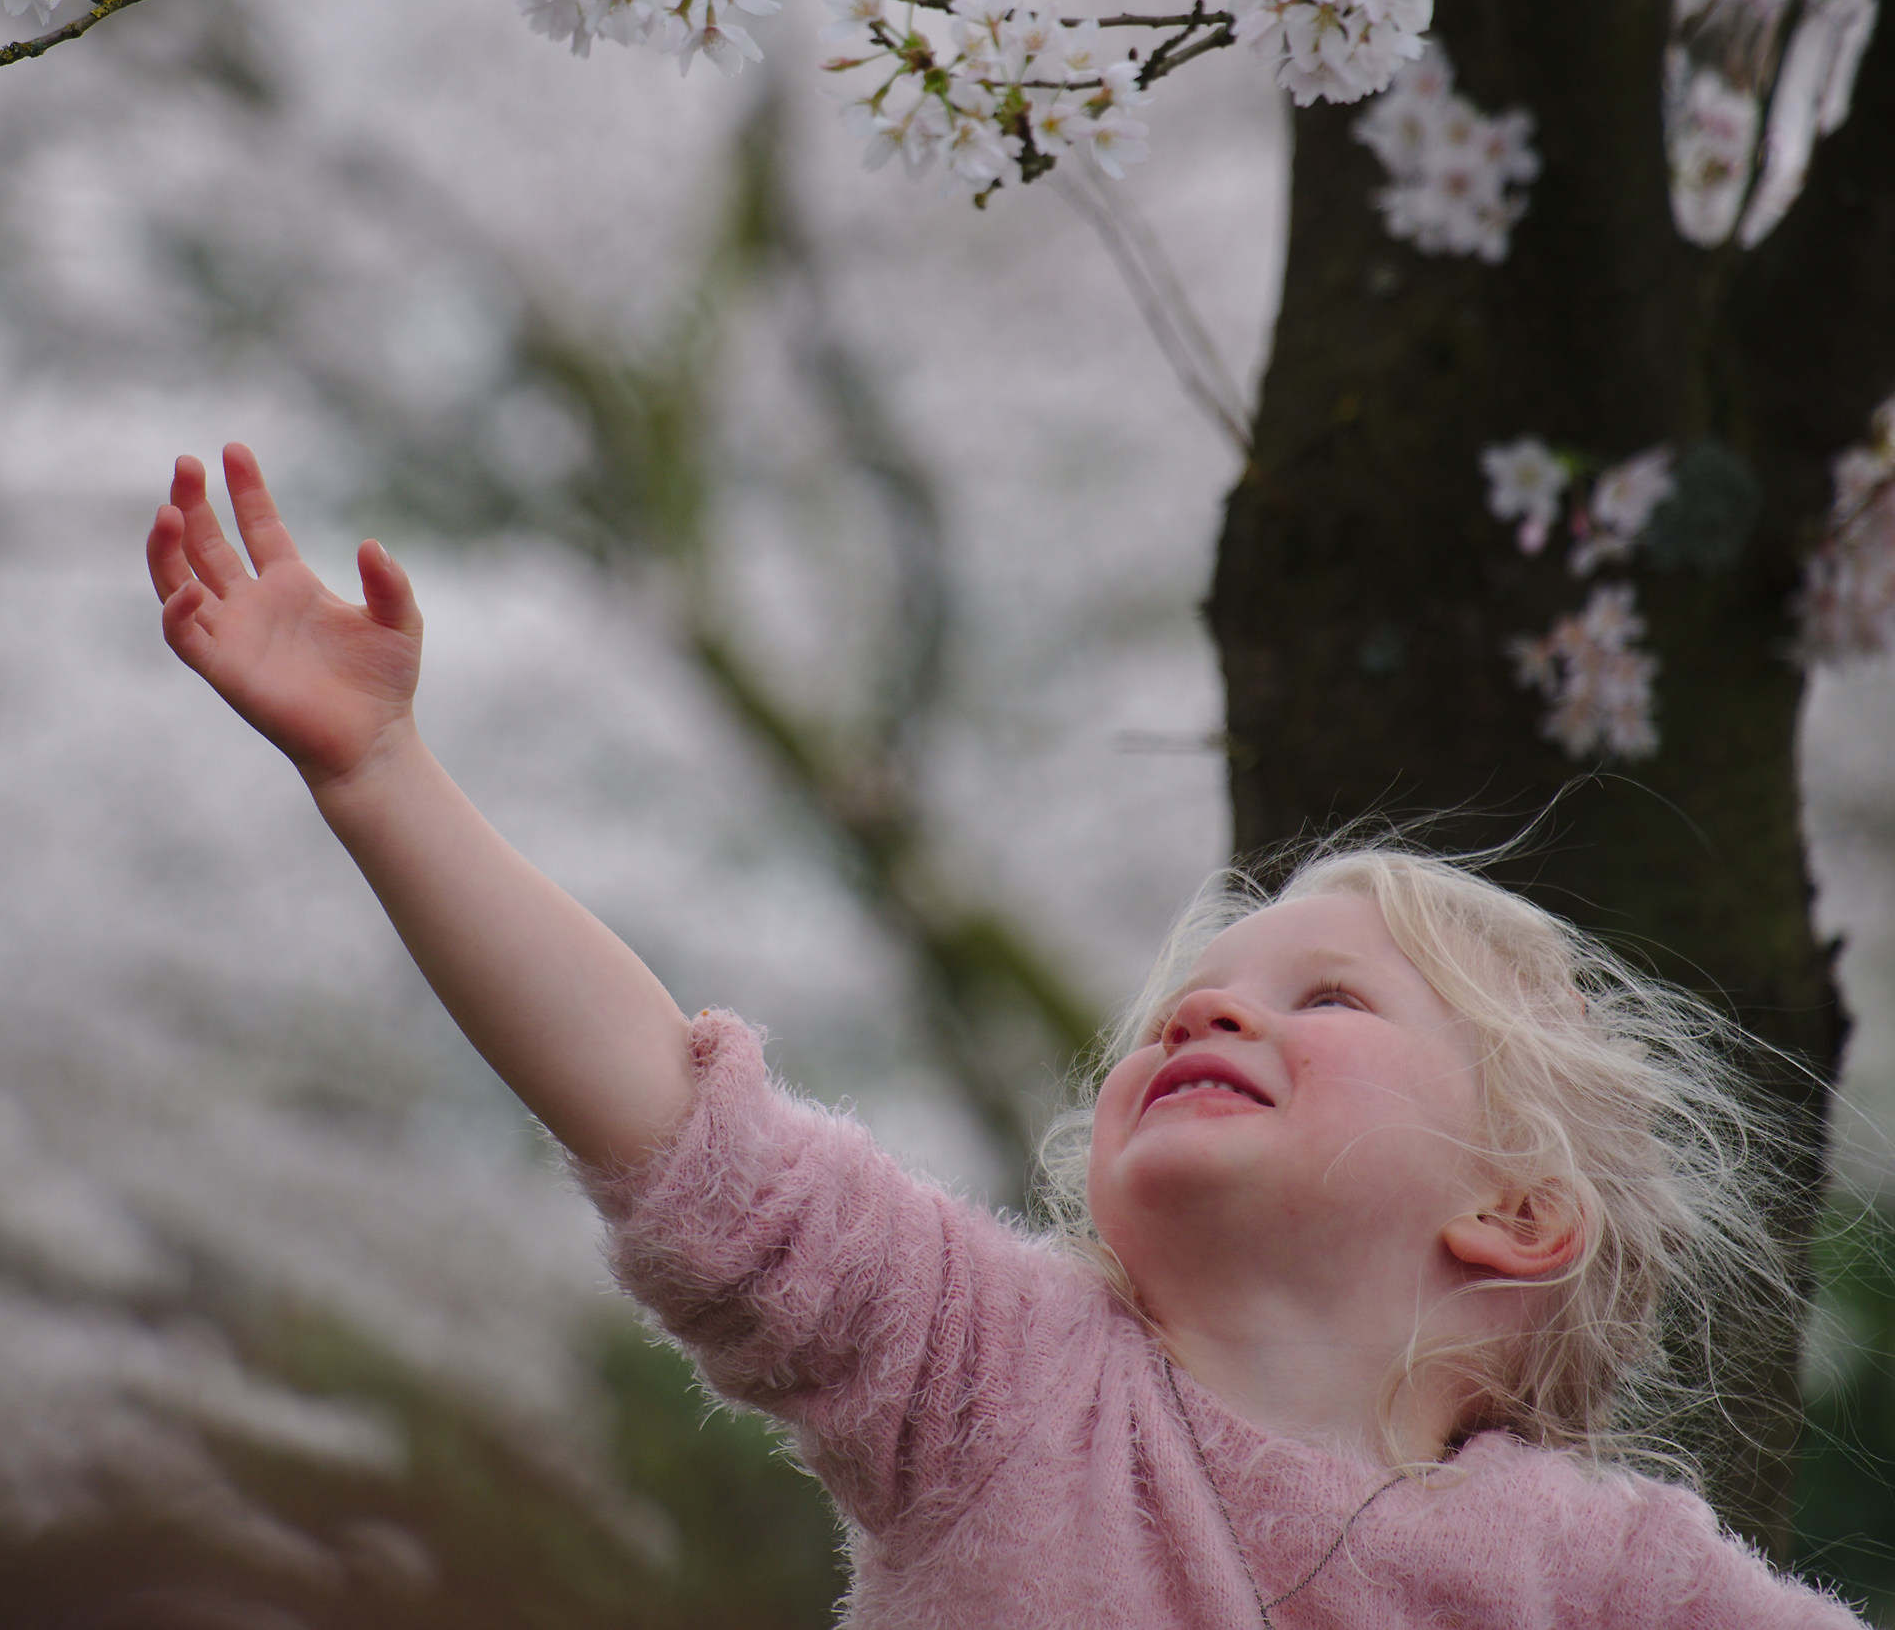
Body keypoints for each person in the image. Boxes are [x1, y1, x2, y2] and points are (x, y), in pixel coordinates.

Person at [145, 443, 1861, 1628]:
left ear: (1514, 1214)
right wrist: (381, 778)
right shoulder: (994, 1384)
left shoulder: (1611, 1578)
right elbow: (669, 1117)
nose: (1211, 1004)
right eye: (1203, 992)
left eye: (1325, 1001)